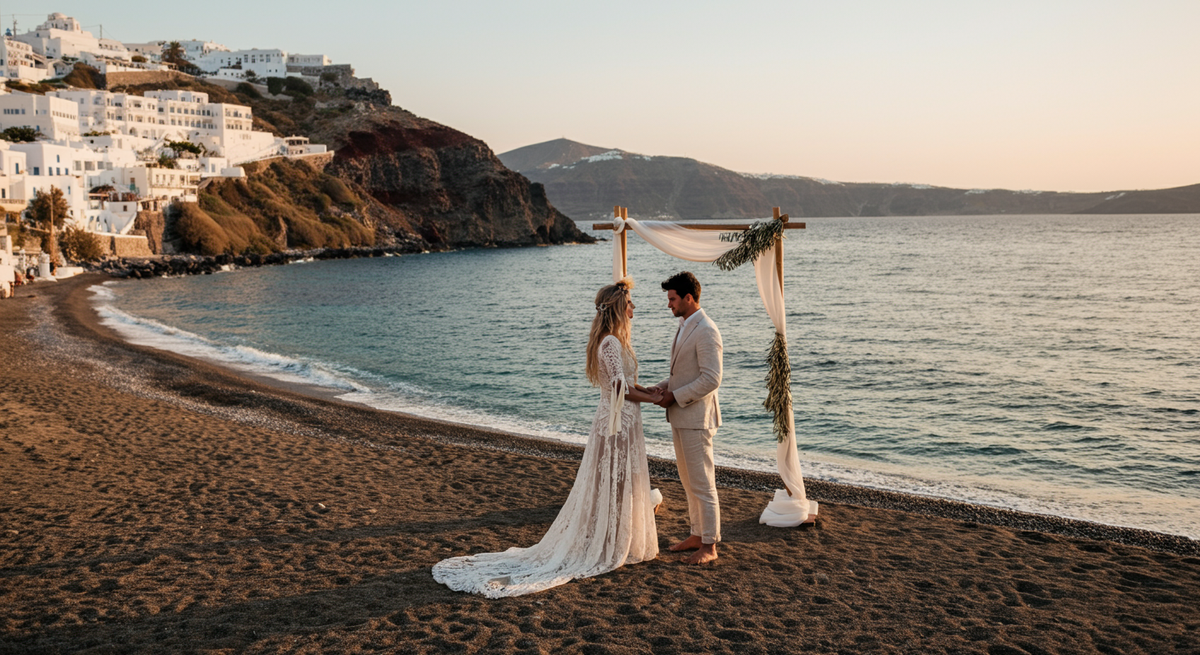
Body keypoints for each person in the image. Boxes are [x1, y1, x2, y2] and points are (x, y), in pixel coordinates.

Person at [432, 278, 661, 597]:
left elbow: (622, 382)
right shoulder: (609, 342)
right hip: (615, 424)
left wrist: (649, 390)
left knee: (617, 483)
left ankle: (615, 537)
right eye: (630, 302)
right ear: (619, 308)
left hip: (622, 420)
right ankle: (607, 543)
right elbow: (620, 389)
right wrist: (656, 400)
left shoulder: (615, 341)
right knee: (611, 483)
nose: (634, 307)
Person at [651, 271, 723, 565]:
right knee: (688, 481)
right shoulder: (685, 325)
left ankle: (710, 545)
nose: (669, 304)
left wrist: (675, 397)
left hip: (696, 418)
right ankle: (696, 534)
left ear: (688, 298)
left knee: (703, 484)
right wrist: (663, 387)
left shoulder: (706, 330)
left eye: (672, 299)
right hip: (681, 417)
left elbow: (711, 378)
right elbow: (683, 374)